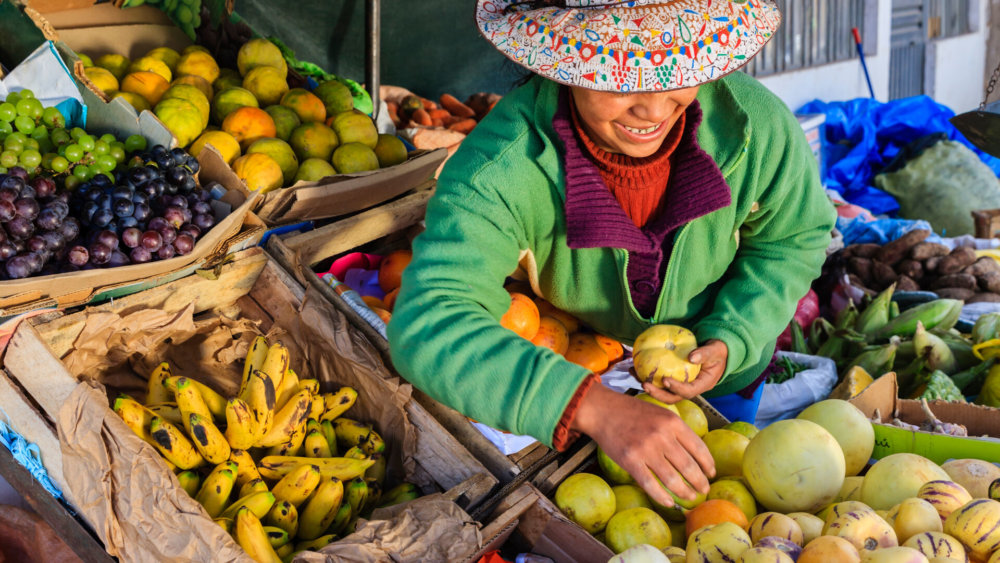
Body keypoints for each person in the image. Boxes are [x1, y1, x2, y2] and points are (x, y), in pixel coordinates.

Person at [387, 0, 836, 508]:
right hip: (577, 379)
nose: (654, 107)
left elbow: (793, 238)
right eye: (620, 78)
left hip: (724, 377)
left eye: (677, 70)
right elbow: (429, 322)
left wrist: (735, 336)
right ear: (560, 64)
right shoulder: (499, 168)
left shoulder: (755, 126)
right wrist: (593, 408)